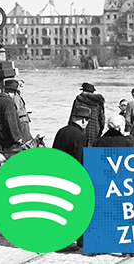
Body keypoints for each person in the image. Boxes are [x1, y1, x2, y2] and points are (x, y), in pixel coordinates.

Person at [53, 105, 91, 251]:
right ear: (82, 120)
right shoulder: (80, 136)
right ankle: (79, 240)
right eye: (86, 120)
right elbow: (81, 159)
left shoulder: (61, 131)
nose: (87, 124)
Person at [69, 82, 105, 147]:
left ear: (83, 90)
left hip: (80, 128)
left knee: (80, 149)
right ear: (92, 91)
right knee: (91, 150)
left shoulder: (78, 100)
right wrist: (100, 130)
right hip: (95, 129)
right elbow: (102, 118)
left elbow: (73, 116)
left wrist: (70, 129)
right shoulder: (99, 101)